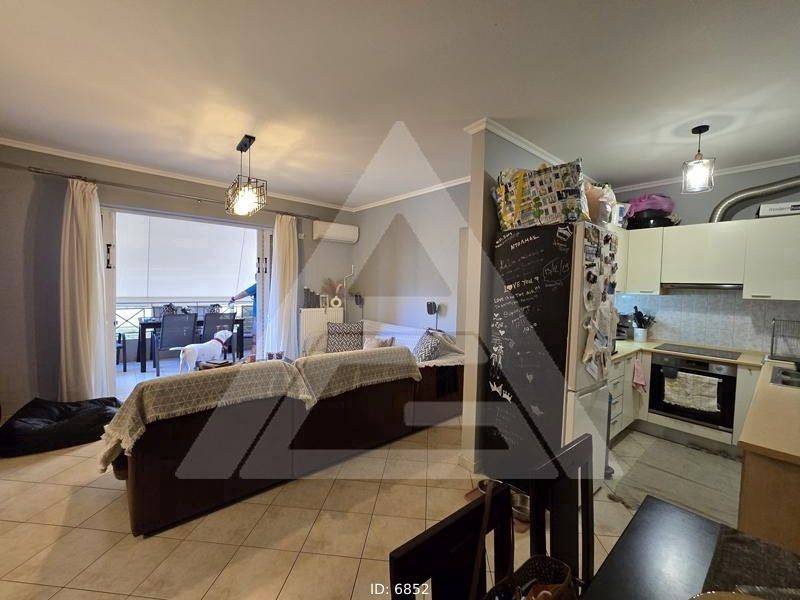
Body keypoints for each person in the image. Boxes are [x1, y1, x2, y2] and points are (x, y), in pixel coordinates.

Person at [230, 282, 257, 358]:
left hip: (258, 315)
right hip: (262, 314)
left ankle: (252, 358)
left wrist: (233, 299)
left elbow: (244, 293)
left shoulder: (259, 284)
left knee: (256, 339)